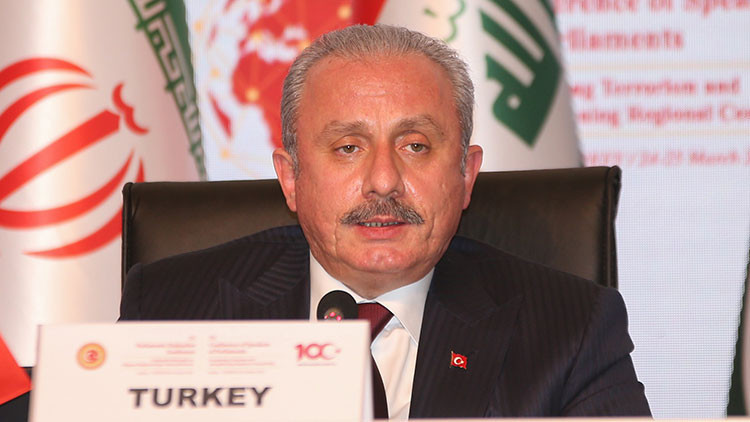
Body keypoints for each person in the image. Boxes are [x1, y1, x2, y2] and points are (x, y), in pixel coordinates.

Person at [120, 24, 651, 419]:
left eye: (415, 146)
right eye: (348, 147)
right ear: (291, 178)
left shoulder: (570, 331)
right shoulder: (171, 312)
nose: (383, 181)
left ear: (466, 175)